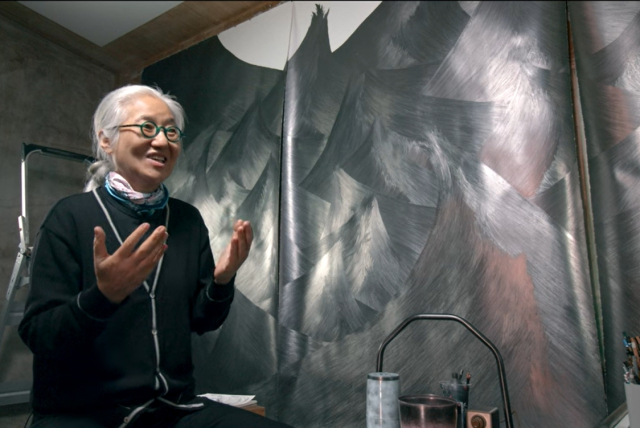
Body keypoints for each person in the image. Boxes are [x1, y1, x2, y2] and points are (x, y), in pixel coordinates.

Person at [19, 85, 293, 428]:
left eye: (171, 132)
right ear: (106, 140)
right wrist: (103, 296)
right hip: (82, 413)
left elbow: (203, 321)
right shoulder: (69, 217)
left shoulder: (187, 220)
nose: (162, 142)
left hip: (172, 409)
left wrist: (221, 282)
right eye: (147, 127)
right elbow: (39, 335)